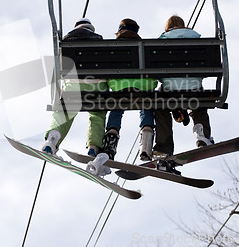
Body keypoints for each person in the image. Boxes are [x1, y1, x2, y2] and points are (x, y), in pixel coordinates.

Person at [153, 15, 214, 164]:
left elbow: (155, 71)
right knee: (199, 102)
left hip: (170, 90)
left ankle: (164, 146)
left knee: (160, 106)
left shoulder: (161, 42)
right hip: (194, 87)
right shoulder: (196, 39)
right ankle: (202, 136)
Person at [42, 18, 108, 156]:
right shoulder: (100, 40)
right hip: (96, 86)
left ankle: (52, 140)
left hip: (73, 86)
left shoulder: (65, 42)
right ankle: (93, 147)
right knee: (97, 114)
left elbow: (59, 68)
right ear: (91, 28)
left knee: (64, 111)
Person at [102, 18, 158, 161]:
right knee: (146, 105)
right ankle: (146, 144)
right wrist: (150, 85)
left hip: (120, 88)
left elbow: (106, 72)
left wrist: (112, 84)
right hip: (143, 88)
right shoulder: (145, 48)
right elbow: (154, 74)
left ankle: (110, 145)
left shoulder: (111, 48)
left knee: (116, 107)